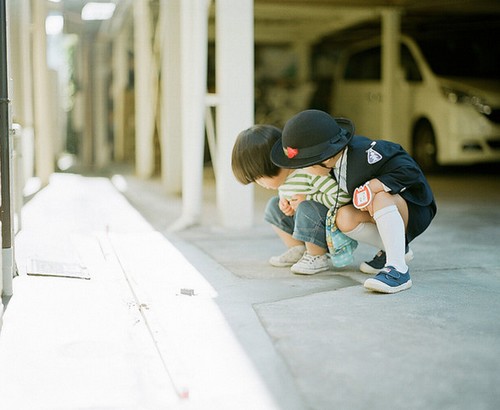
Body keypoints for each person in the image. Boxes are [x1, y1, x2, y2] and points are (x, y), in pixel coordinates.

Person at [271, 109, 437, 294]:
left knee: (380, 196)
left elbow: (410, 171)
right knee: (344, 217)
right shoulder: (334, 166)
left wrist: (374, 186)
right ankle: (395, 249)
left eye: (305, 165)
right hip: (381, 211)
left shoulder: (366, 153)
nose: (303, 171)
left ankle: (398, 269)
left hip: (413, 207)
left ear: (324, 158)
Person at [231, 124, 355, 275]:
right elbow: (289, 195)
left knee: (305, 207)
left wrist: (308, 198)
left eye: (260, 178)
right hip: (308, 226)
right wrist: (286, 204)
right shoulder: (284, 179)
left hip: (329, 230)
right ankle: (298, 249)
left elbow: (341, 197)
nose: (260, 184)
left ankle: (317, 256)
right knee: (273, 205)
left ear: (274, 164)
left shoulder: (308, 172)